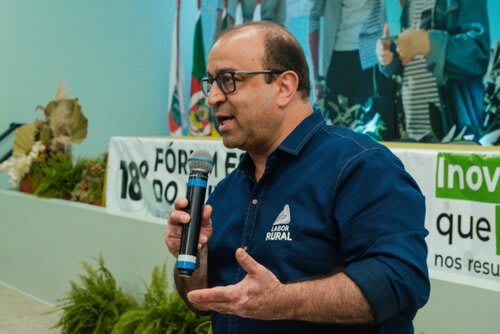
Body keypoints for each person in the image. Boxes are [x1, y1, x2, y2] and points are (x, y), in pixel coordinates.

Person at [165, 21, 430, 333]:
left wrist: (281, 302)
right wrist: (196, 258)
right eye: (211, 83)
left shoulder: (360, 166)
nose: (212, 98)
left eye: (228, 80)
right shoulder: (226, 191)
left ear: (284, 86)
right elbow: (199, 300)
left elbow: (399, 279)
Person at [376, 0, 490, 143]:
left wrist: (427, 43)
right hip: (412, 131)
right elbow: (412, 62)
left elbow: (478, 55)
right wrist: (390, 58)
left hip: (452, 134)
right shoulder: (409, 4)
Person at [309, 0, 398, 140]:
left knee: (376, 132)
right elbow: (313, 18)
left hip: (373, 55)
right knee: (337, 133)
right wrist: (317, 76)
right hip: (337, 57)